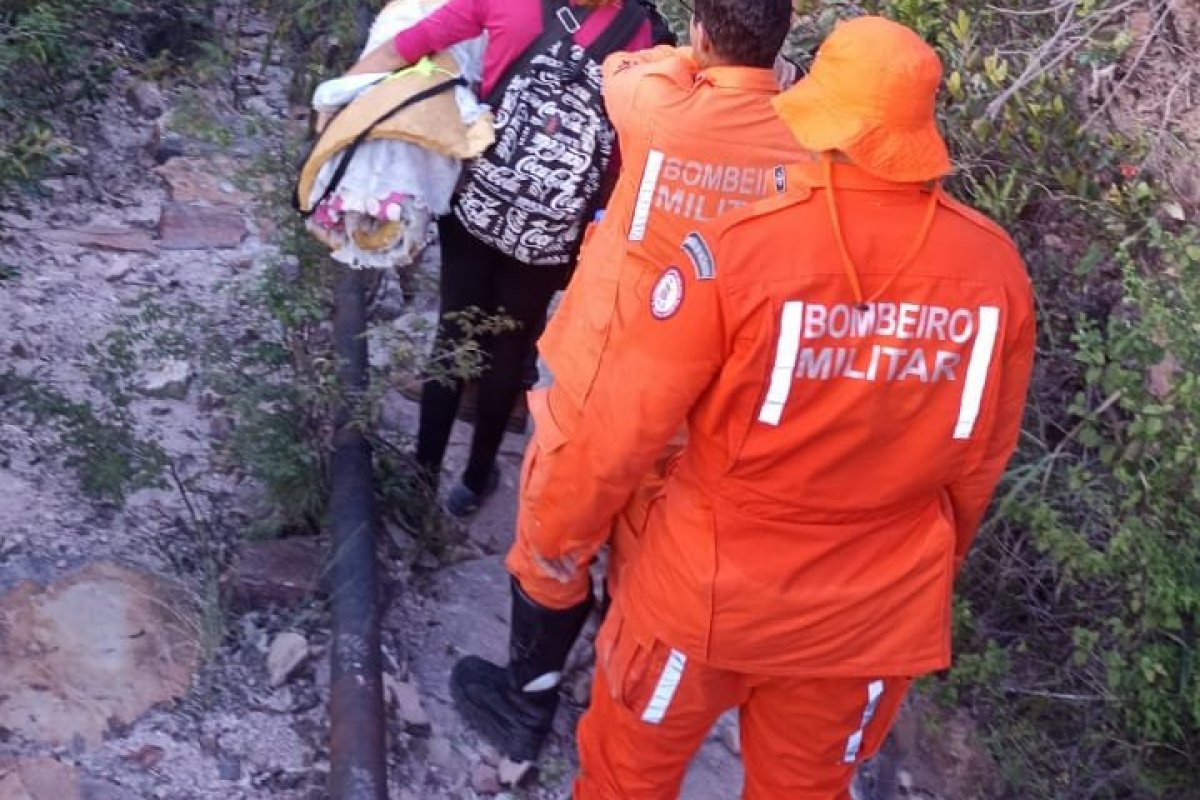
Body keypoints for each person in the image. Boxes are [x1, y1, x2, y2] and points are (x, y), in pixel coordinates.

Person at [517, 16, 1037, 798]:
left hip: (703, 599)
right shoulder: (995, 270)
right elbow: (977, 467)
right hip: (870, 618)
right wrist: (914, 571)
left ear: (821, 113)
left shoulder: (734, 256)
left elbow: (625, 428)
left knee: (627, 779)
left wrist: (560, 537)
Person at [448, 0, 802, 765]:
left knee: (556, 536)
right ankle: (607, 697)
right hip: (700, 404)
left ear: (701, 34)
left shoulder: (654, 101)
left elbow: (621, 67)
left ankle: (524, 705)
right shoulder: (804, 136)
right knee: (644, 549)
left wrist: (693, 62)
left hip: (607, 375)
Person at [349, 0, 661, 518]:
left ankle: (423, 476)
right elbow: (628, 145)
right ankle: (474, 482)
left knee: (452, 334)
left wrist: (345, 95)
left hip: (480, 199)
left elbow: (417, 41)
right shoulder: (640, 33)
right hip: (551, 227)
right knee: (510, 351)